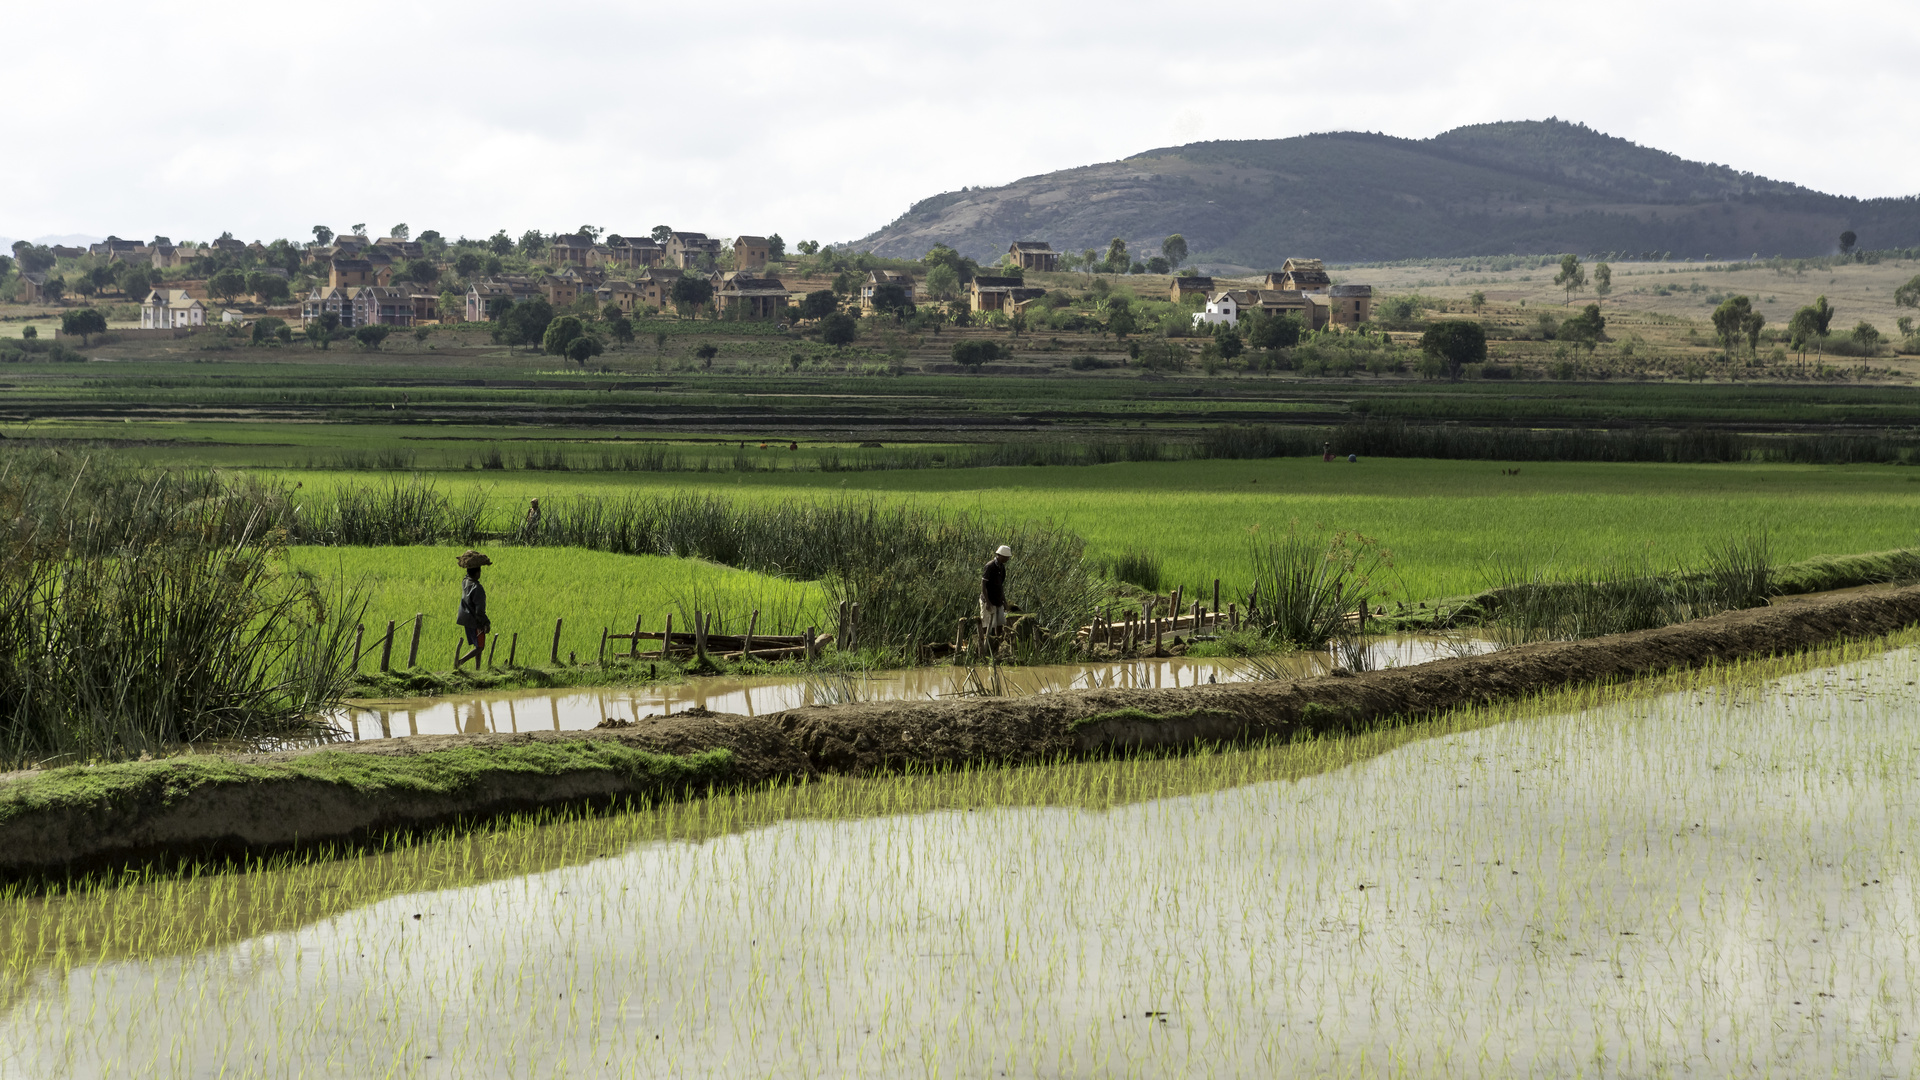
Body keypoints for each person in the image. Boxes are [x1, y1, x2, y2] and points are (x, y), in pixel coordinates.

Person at [455, 550, 492, 668]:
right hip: (475, 621)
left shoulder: (465, 581)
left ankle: (477, 668)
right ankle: (460, 662)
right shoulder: (477, 588)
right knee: (480, 647)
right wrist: (485, 623)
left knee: (478, 646)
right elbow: (479, 610)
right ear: (477, 573)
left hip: (466, 619)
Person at [980, 544, 1012, 647]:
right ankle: (985, 644)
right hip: (988, 600)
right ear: (1000, 556)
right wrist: (987, 602)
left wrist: (1004, 602)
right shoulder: (990, 566)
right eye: (1006, 557)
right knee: (987, 624)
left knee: (1000, 624)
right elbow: (983, 585)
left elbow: (1000, 586)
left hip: (998, 600)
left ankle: (998, 643)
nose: (1007, 559)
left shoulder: (1002, 568)